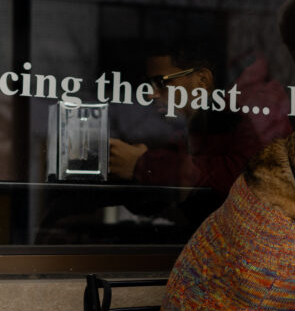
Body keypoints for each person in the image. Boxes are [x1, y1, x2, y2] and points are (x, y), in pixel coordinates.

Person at [109, 43, 267, 224]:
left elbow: (242, 180)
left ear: (202, 80)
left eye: (162, 82)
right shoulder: (190, 131)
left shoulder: (230, 122)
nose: (152, 94)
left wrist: (142, 164)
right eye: (150, 84)